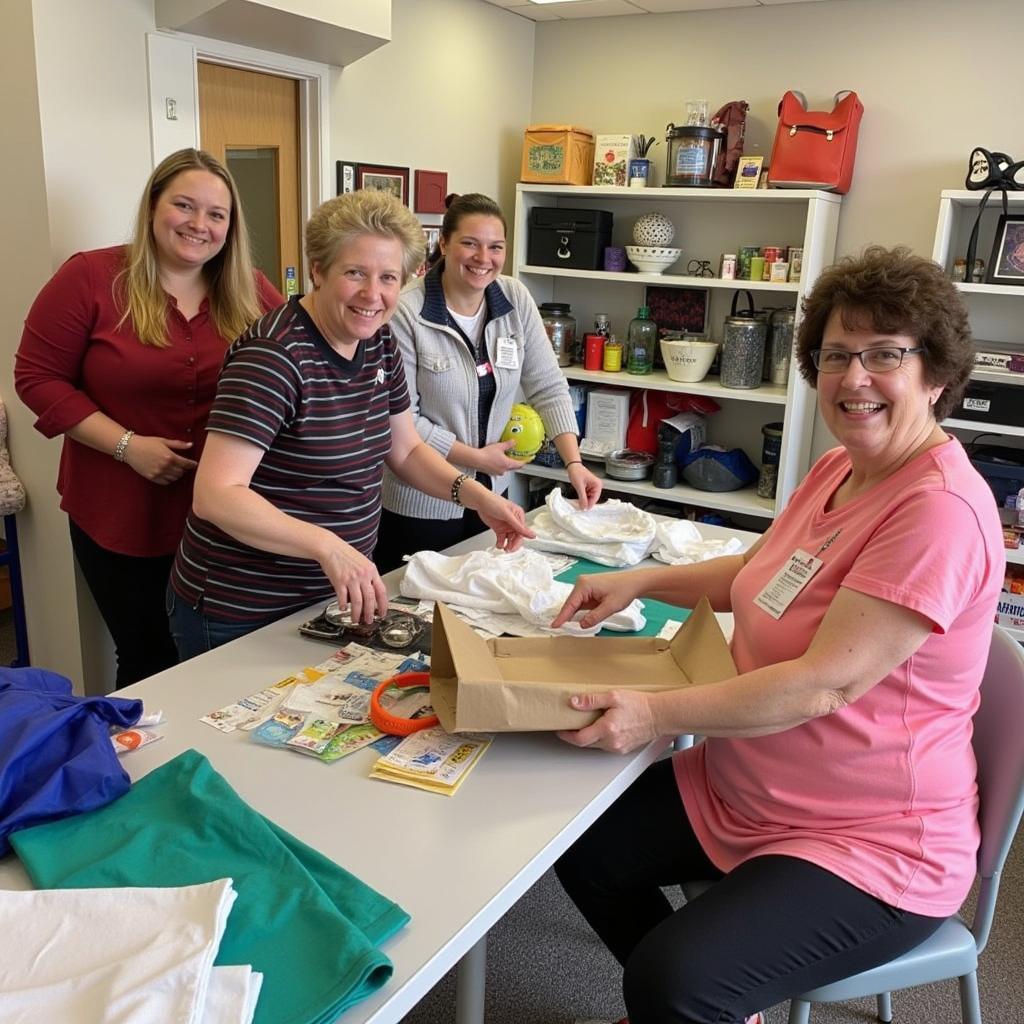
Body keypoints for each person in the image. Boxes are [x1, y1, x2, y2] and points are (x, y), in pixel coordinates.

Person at [547, 246, 1003, 1024]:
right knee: (578, 848)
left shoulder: (938, 511)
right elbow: (753, 573)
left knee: (670, 980)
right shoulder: (838, 469)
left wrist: (656, 715)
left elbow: (825, 683)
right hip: (751, 786)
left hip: (874, 841)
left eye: (885, 354)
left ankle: (704, 1007)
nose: (854, 378)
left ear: (935, 373)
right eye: (835, 355)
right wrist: (638, 579)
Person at [168, 189, 533, 658]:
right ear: (318, 269)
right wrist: (330, 547)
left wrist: (479, 496)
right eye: (355, 273)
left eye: (388, 278)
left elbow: (405, 450)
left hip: (328, 596)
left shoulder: (378, 343)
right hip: (241, 607)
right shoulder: (274, 356)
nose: (372, 295)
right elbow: (217, 494)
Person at [15, 148, 282, 688]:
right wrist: (127, 445)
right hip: (119, 511)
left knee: (216, 656)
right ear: (153, 206)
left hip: (222, 514)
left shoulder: (250, 289)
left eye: (216, 214)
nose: (199, 224)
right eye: (184, 205)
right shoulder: (90, 277)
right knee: (147, 659)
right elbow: (36, 378)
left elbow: (298, 359)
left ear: (231, 227)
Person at [373, 192, 601, 573]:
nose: (484, 258)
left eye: (495, 247)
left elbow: (547, 382)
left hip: (492, 498)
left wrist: (573, 462)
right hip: (419, 508)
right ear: (443, 243)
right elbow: (403, 420)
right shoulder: (406, 313)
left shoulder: (514, 298)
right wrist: (474, 458)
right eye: (470, 244)